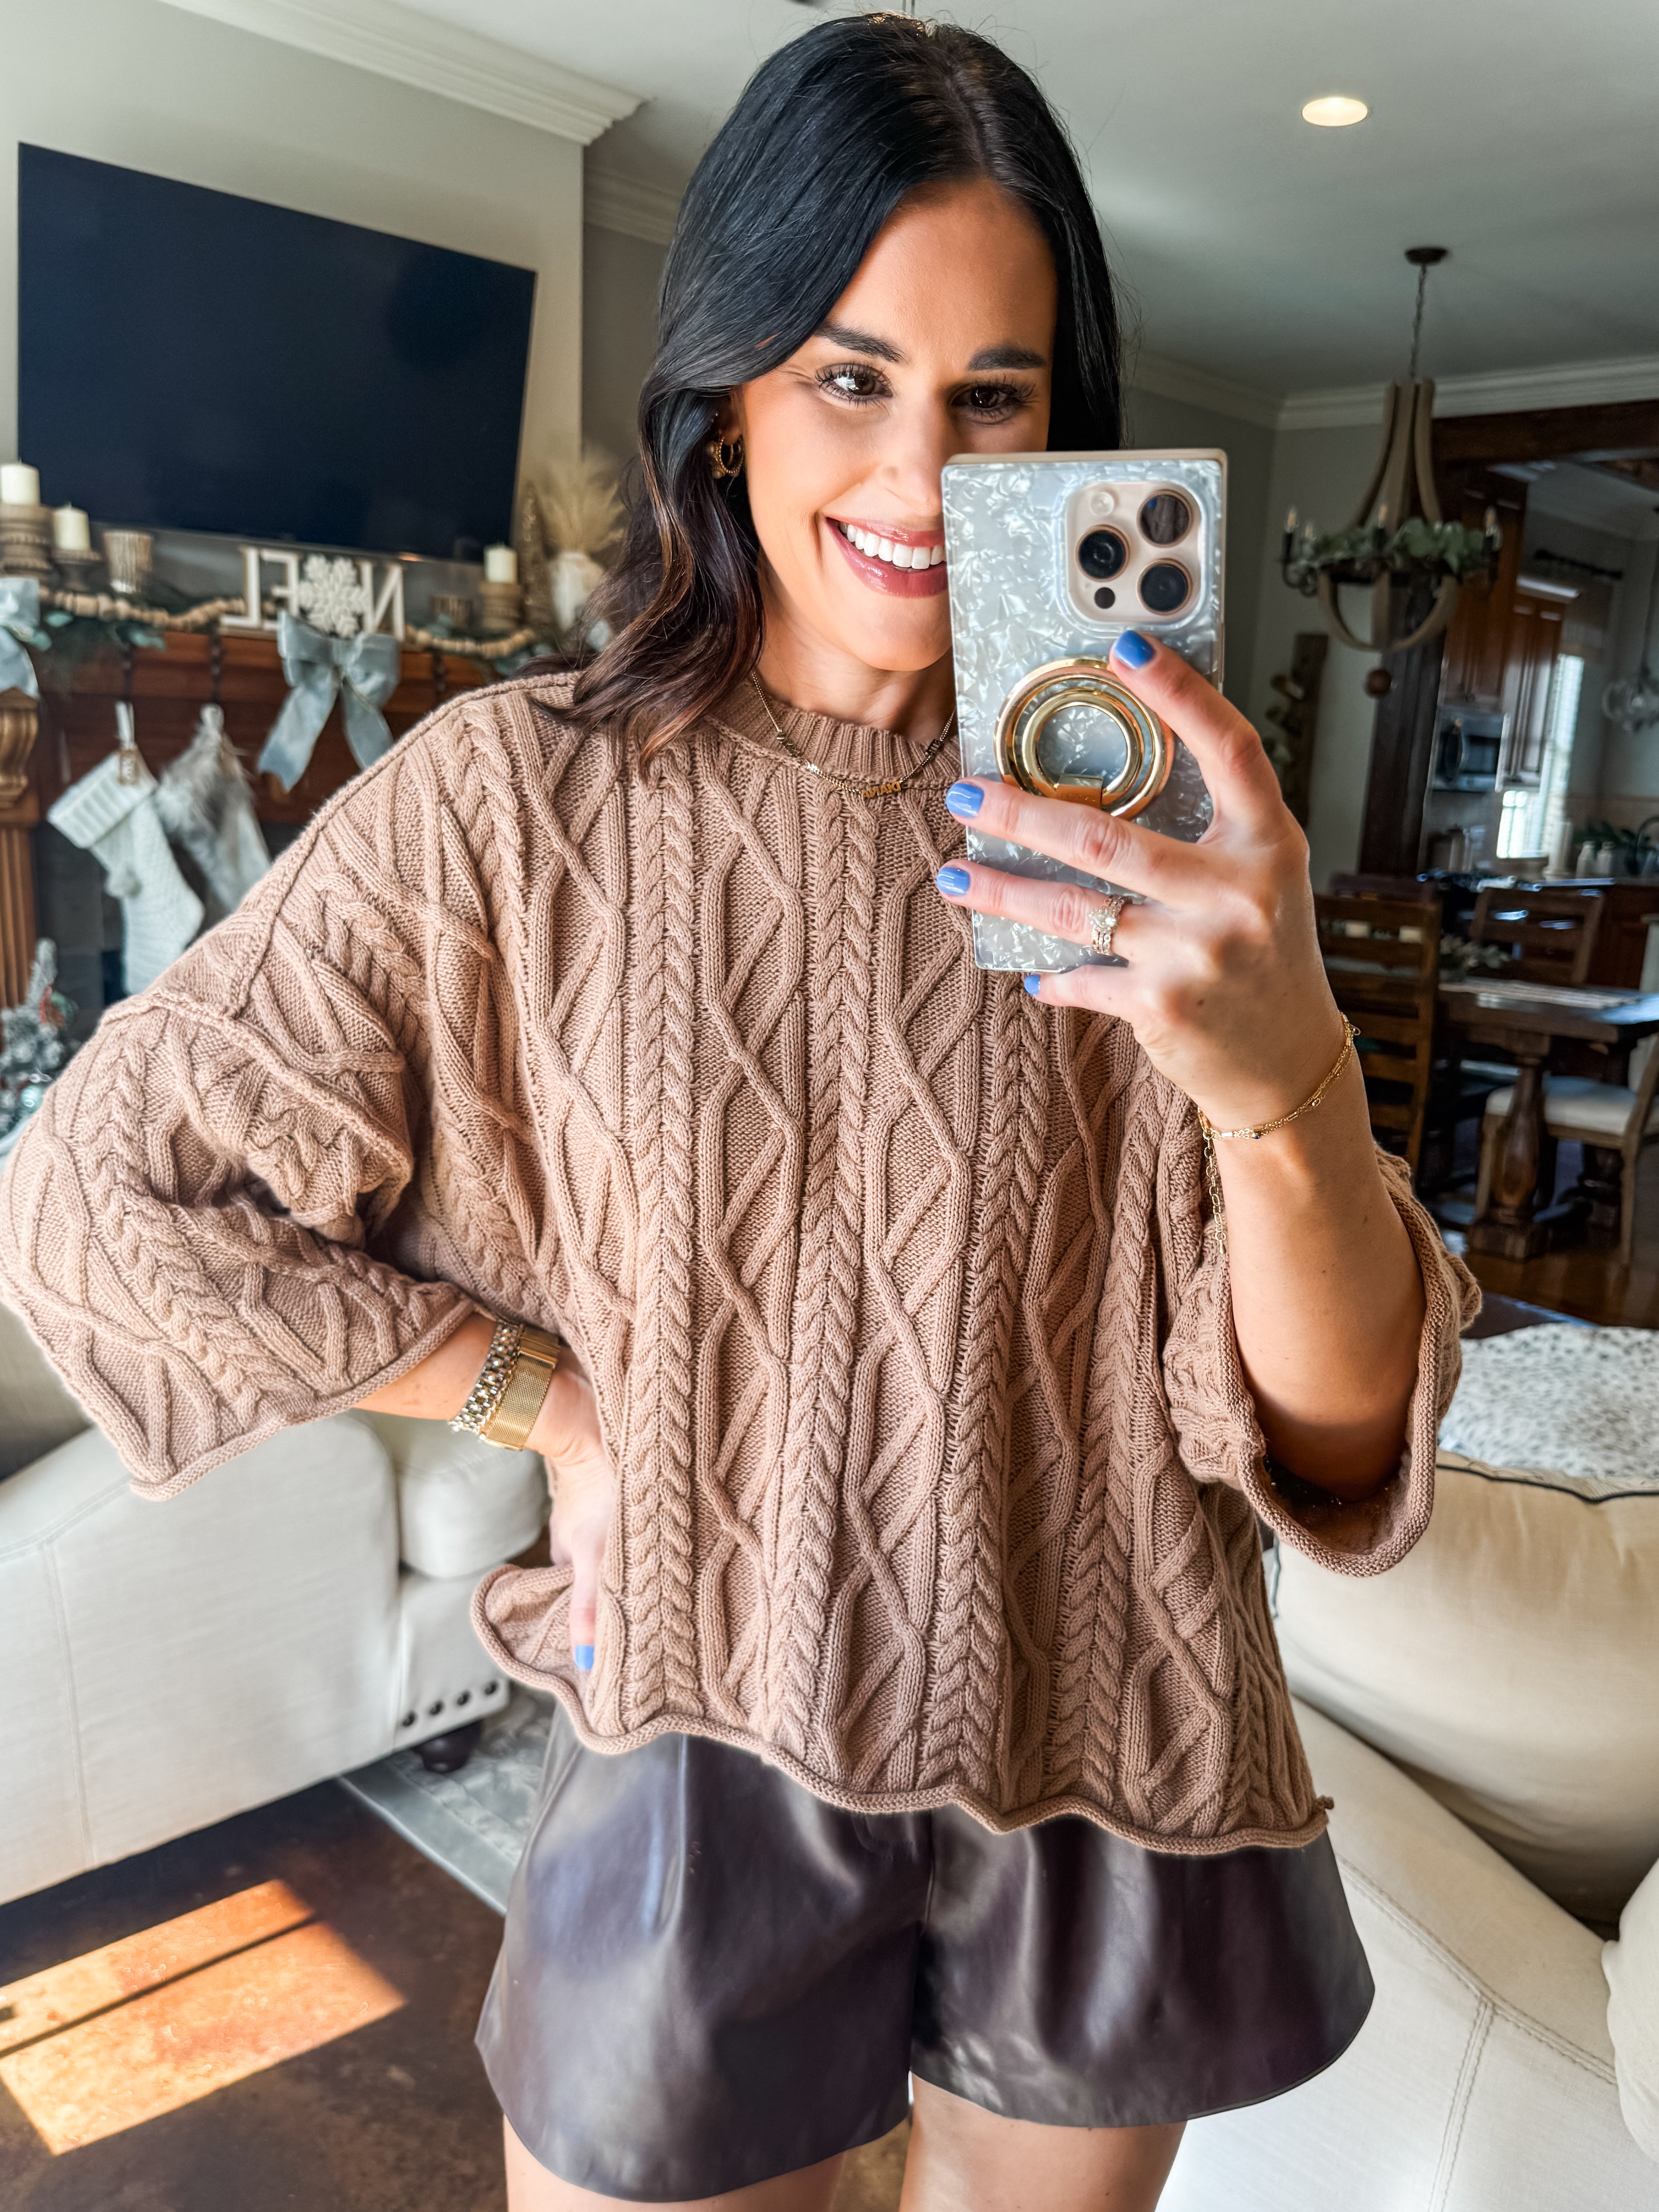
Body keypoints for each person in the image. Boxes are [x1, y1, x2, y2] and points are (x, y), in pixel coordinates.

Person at [0, 15, 1476, 2210]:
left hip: (1110, 1748)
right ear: (726, 393)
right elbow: (99, 1196)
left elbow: (1344, 1455)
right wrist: (550, 1399)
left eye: (995, 396)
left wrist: (1290, 1094)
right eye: (849, 374)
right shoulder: (511, 806)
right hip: (698, 1743)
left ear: (1064, 426)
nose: (920, 474)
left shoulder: (1150, 841)